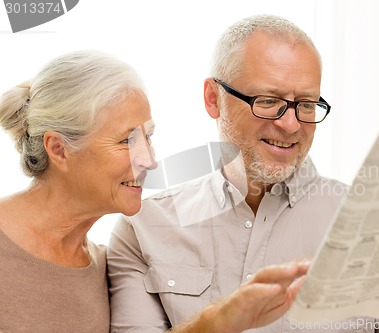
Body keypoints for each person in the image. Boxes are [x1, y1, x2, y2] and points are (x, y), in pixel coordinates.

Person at [107, 15, 379, 333]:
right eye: (268, 101)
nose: (290, 125)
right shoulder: (143, 228)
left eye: (306, 104)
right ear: (213, 99)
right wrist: (219, 322)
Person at [0, 50, 310, 333]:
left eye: (148, 136)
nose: (149, 160)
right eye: (126, 141)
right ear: (58, 149)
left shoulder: (101, 266)